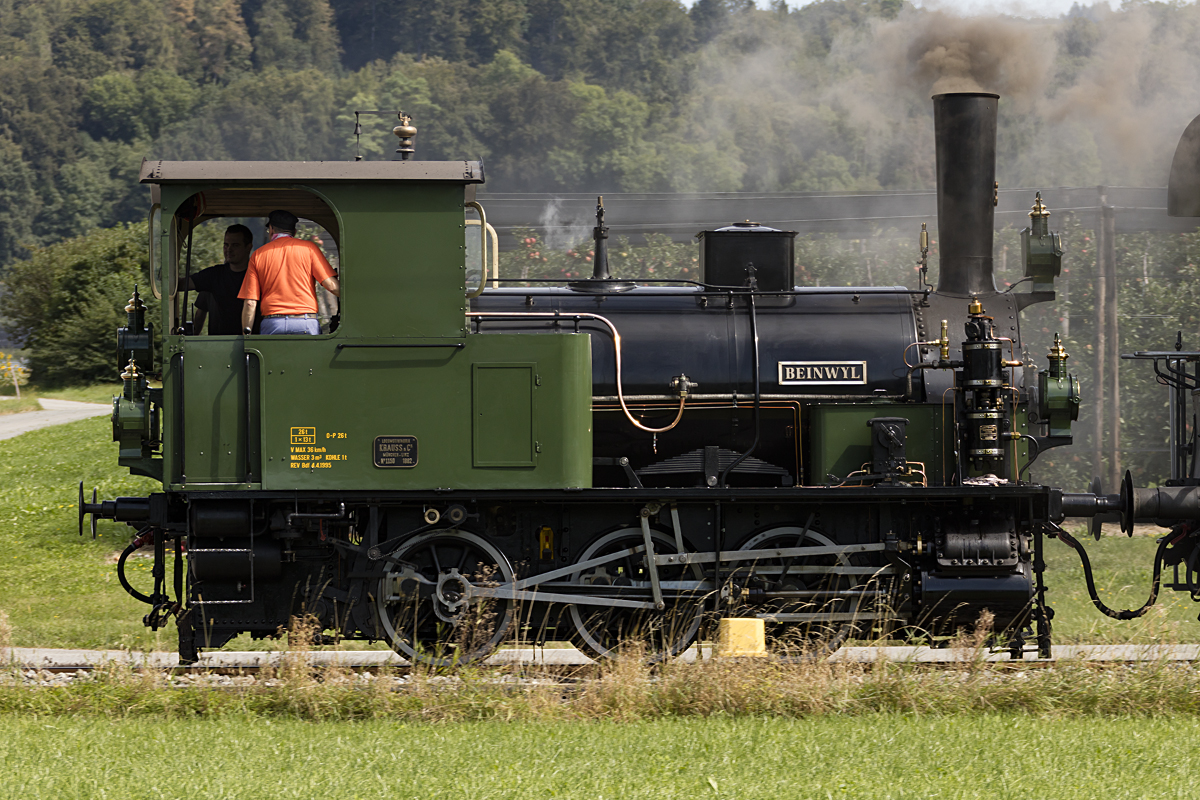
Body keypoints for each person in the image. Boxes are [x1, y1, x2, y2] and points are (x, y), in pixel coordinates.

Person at [239, 210, 340, 336]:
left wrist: (246, 335)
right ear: (294, 232)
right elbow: (332, 286)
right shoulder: (309, 248)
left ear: (271, 229)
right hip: (305, 322)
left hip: (273, 323)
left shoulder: (258, 255)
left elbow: (250, 302)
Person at [177, 224, 256, 335]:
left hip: (251, 345)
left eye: (235, 245)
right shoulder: (214, 275)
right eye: (226, 245)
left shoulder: (258, 276)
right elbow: (181, 285)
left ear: (248, 247)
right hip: (217, 345)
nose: (229, 250)